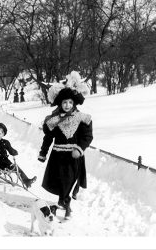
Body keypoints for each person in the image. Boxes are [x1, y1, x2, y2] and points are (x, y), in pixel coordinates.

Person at [38, 87, 93, 220]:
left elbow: (87, 136)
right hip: (57, 156)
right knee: (61, 181)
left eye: (69, 102)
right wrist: (43, 153)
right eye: (64, 103)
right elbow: (48, 138)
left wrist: (79, 149)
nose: (67, 105)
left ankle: (66, 205)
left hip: (74, 157)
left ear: (74, 103)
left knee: (70, 181)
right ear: (60, 104)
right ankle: (63, 203)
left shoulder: (82, 118)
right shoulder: (54, 120)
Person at [0, 122, 37, 188]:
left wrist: (13, 152)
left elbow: (10, 149)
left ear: (3, 134)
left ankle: (26, 181)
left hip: (5, 162)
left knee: (16, 167)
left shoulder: (6, 142)